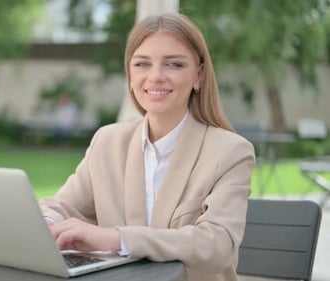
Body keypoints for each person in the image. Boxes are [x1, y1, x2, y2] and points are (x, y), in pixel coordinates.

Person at [40, 13, 255, 281]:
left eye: (174, 64)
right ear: (130, 75)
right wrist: (48, 224)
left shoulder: (230, 152)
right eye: (142, 64)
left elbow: (217, 245)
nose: (156, 76)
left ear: (198, 76)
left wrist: (116, 238)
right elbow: (60, 206)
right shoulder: (107, 141)